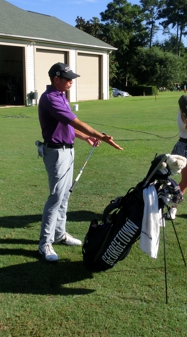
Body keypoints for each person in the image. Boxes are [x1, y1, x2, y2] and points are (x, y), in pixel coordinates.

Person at [37, 62, 123, 262]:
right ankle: (44, 243)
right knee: (56, 197)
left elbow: (67, 127)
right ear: (56, 79)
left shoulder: (61, 96)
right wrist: (101, 136)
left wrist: (86, 137)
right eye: (68, 79)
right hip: (56, 153)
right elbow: (75, 122)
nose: (71, 82)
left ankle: (59, 234)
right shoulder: (50, 98)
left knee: (65, 196)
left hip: (67, 151)